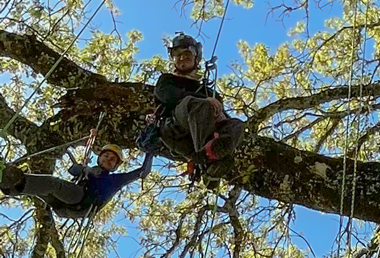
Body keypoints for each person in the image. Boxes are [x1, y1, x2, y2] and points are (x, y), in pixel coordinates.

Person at [152, 32, 244, 167]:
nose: (182, 58)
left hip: (199, 135)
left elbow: (219, 112)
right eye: (178, 55)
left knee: (237, 125)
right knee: (193, 102)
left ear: (196, 58)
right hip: (175, 131)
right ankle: (208, 163)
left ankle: (211, 157)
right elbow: (167, 95)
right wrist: (206, 100)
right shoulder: (167, 80)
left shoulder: (209, 93)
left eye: (187, 54)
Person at [1, 144, 152, 218]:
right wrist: (78, 169)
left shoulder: (116, 180)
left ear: (115, 166)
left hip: (82, 201)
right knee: (43, 189)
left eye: (112, 160)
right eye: (106, 156)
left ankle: (14, 180)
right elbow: (74, 172)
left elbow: (142, 172)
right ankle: (10, 186)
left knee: (53, 184)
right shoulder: (88, 171)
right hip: (65, 206)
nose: (108, 160)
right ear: (99, 157)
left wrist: (151, 151)